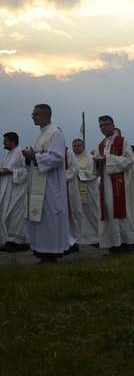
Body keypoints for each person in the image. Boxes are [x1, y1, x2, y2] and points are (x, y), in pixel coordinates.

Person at [22, 104, 69, 263]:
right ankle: (42, 252)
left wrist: (34, 156)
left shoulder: (55, 133)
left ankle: (51, 254)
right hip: (40, 184)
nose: (33, 117)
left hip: (51, 185)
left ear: (46, 115)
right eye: (33, 114)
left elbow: (57, 157)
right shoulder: (40, 134)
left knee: (49, 219)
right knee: (40, 220)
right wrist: (30, 157)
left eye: (36, 114)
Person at [94, 115, 134, 254]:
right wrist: (97, 161)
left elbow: (129, 159)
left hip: (120, 185)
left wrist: (107, 159)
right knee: (109, 213)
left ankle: (130, 242)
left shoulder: (122, 141)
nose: (104, 127)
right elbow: (97, 169)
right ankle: (114, 245)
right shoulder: (101, 144)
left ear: (113, 125)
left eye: (106, 124)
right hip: (106, 185)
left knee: (122, 213)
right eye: (101, 125)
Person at [0, 132, 29, 252]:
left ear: (13, 141)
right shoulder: (6, 155)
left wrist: (11, 172)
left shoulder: (21, 154)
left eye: (5, 140)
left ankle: (15, 242)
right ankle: (8, 240)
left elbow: (26, 171)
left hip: (18, 191)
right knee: (5, 214)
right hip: (6, 190)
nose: (3, 143)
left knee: (15, 215)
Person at [72, 138, 100, 245]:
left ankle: (97, 237)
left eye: (78, 146)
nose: (76, 148)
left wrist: (79, 174)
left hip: (88, 191)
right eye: (74, 146)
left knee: (92, 213)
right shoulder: (71, 158)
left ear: (83, 146)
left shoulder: (90, 158)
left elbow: (95, 173)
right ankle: (81, 238)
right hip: (75, 190)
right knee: (78, 213)